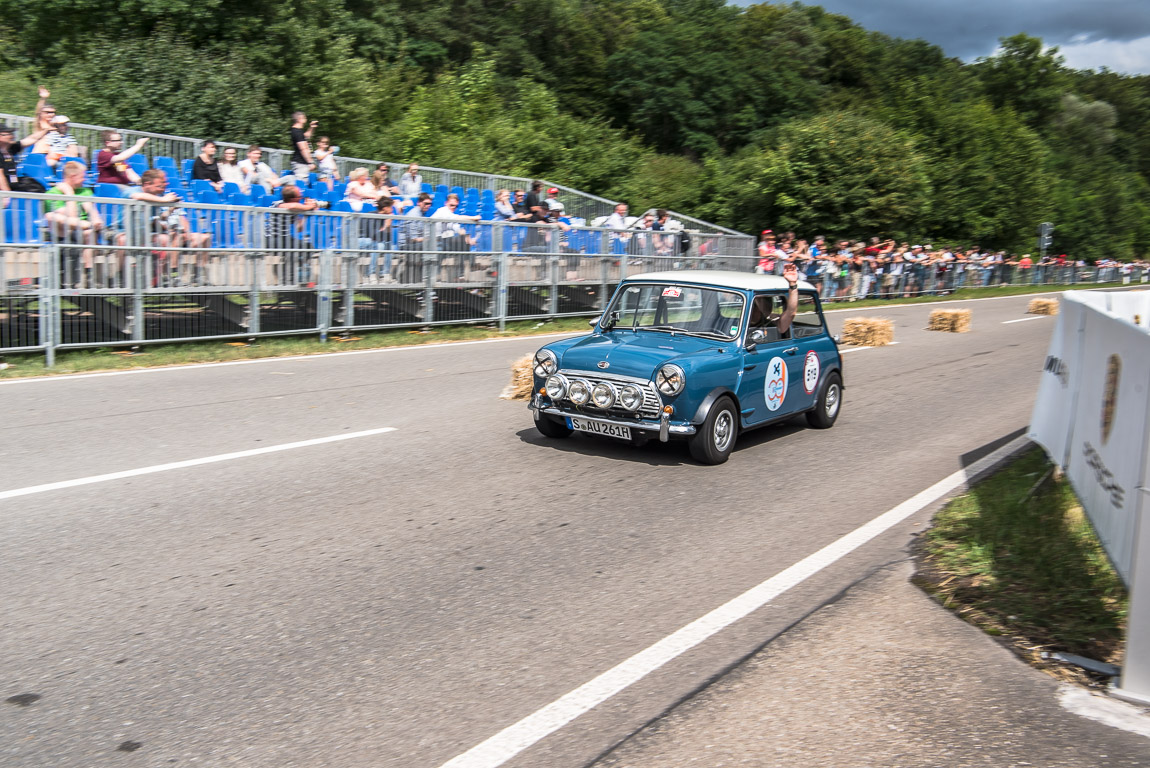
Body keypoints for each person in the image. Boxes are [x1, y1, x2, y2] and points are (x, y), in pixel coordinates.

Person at [129, 169, 211, 286]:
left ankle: (199, 276)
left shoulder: (165, 195)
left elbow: (181, 217)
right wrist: (164, 204)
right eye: (160, 185)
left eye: (163, 185)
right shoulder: (148, 196)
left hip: (174, 232)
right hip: (158, 234)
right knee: (176, 237)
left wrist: (186, 231)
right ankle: (173, 276)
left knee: (204, 238)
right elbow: (155, 221)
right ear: (148, 184)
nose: (162, 188)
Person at [44, 161, 104, 287]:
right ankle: (85, 225)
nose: (85, 180)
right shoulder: (53, 194)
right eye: (83, 177)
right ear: (72, 177)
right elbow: (69, 218)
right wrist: (69, 194)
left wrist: (96, 220)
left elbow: (92, 211)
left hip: (82, 231)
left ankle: (88, 275)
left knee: (89, 233)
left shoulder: (85, 191)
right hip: (63, 232)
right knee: (51, 216)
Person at [265, 185, 318, 285]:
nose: (301, 198)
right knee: (297, 248)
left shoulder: (295, 209)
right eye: (300, 196)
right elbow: (291, 206)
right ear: (293, 198)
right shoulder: (279, 204)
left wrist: (306, 214)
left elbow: (299, 229)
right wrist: (309, 207)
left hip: (285, 239)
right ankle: (288, 277)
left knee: (308, 247)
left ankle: (295, 273)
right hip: (272, 239)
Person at [431, 193, 479, 278]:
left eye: (456, 206)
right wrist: (473, 217)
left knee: (463, 242)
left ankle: (460, 275)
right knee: (461, 242)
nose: (453, 207)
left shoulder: (449, 214)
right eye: (451, 205)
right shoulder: (443, 210)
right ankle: (470, 265)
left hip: (443, 239)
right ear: (446, 203)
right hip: (434, 239)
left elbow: (457, 228)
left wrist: (467, 237)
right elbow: (457, 218)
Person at [0, 123, 50, 202]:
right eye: (9, 134)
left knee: (34, 186)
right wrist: (7, 194)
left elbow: (31, 139)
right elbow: (0, 176)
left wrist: (46, 130)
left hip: (13, 185)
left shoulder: (11, 149)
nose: (13, 136)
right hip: (5, 190)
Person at [747, 263, 800, 338]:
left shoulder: (771, 326)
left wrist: (792, 284)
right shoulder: (740, 323)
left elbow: (791, 312)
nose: (753, 310)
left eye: (756, 306)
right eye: (753, 306)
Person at [289, 111, 317, 184]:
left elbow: (306, 136)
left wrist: (312, 128)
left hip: (301, 162)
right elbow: (303, 148)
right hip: (300, 162)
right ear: (299, 119)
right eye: (304, 117)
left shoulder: (298, 131)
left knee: (302, 183)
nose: (306, 119)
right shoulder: (297, 132)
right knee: (301, 184)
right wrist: (310, 162)